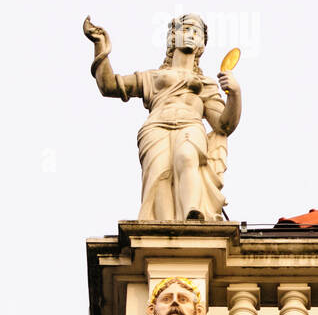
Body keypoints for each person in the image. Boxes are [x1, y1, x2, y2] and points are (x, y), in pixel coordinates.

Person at [85, 14, 241, 221]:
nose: (190, 35)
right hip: (156, 127)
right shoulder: (153, 77)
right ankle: (163, 226)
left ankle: (193, 213)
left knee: (186, 157)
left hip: (190, 124)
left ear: (202, 44)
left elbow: (224, 125)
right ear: (172, 37)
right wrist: (101, 47)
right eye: (185, 29)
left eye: (196, 32)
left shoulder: (205, 83)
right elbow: (109, 85)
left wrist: (235, 94)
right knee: (160, 174)